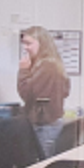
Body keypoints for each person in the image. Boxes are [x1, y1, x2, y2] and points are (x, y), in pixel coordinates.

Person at [18, 25, 70, 156]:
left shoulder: (46, 66)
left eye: (29, 43)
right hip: (51, 123)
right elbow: (66, 91)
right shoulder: (55, 63)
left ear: (42, 43)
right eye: (24, 43)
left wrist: (23, 71)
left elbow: (27, 94)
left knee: (42, 162)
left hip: (44, 125)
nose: (25, 48)